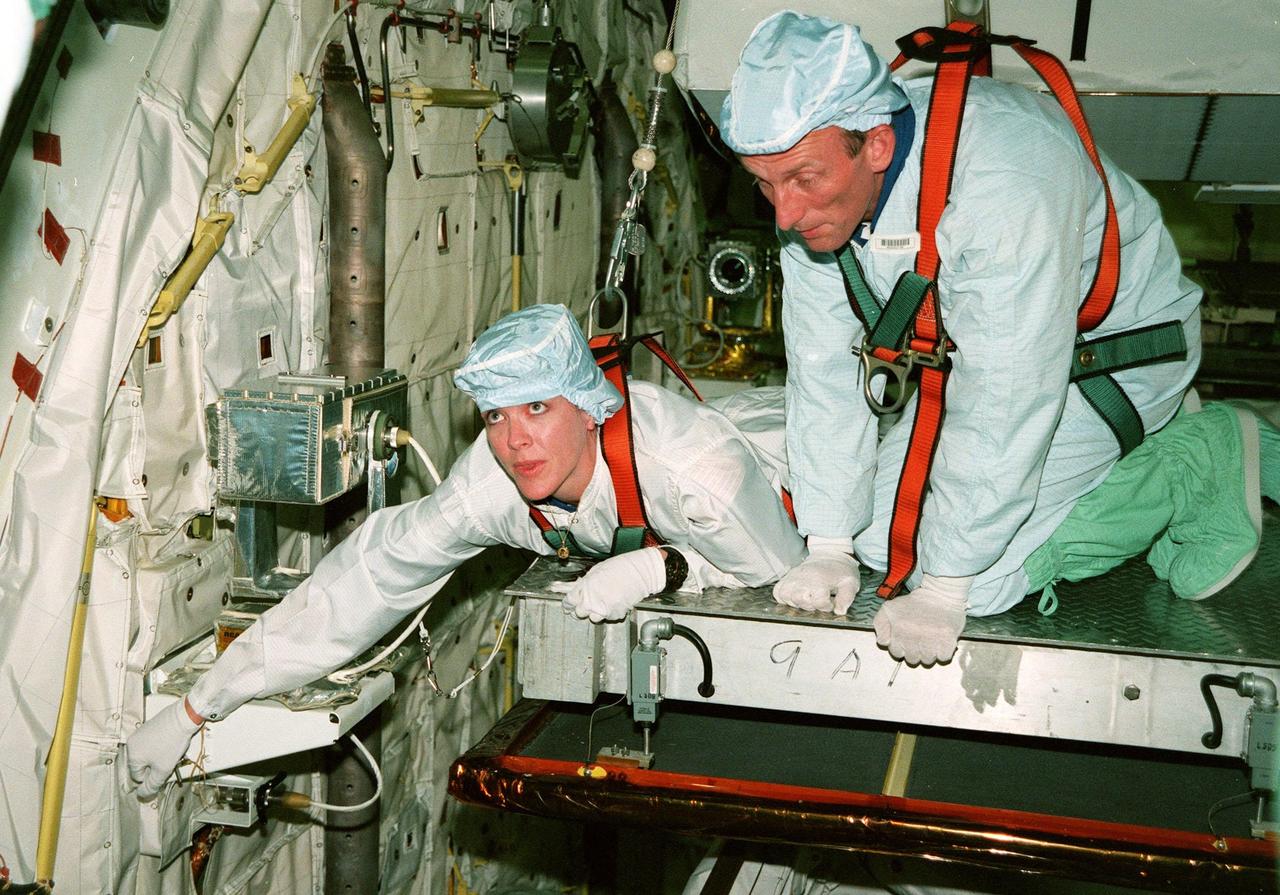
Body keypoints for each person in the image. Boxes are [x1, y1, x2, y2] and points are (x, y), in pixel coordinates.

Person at [126, 303, 804, 798]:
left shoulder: (695, 472)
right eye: (495, 415)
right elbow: (359, 584)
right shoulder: (492, 483)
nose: (515, 442)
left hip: (786, 469)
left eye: (536, 408)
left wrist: (668, 564)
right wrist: (194, 709)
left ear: (585, 399)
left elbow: (784, 574)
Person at [719, 11, 1224, 666]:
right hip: (992, 356)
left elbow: (1004, 397)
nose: (783, 212)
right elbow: (822, 370)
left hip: (1116, 357)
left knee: (979, 580)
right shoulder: (814, 193)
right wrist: (829, 547)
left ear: (874, 144)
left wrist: (948, 586)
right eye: (765, 183)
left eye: (803, 180)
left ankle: (1197, 461)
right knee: (875, 545)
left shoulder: (1003, 185)